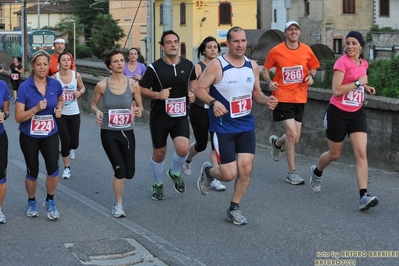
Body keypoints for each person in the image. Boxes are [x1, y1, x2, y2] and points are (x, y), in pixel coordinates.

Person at [194, 26, 278, 225]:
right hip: (223, 127)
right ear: (228, 43)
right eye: (236, 41)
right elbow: (199, 89)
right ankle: (208, 171)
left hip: (245, 125)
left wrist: (266, 100)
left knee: (246, 170)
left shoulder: (252, 65)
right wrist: (214, 103)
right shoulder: (217, 65)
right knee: (228, 174)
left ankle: (234, 208)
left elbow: (255, 92)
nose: (240, 45)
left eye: (243, 41)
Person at [310, 31, 379, 211]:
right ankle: (317, 172)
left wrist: (365, 87)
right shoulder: (341, 63)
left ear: (361, 46)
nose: (349, 46)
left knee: (361, 153)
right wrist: (358, 83)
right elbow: (337, 90)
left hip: (357, 112)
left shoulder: (364, 63)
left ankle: (363, 195)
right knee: (334, 154)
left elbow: (359, 82)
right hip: (338, 113)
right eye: (347, 43)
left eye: (353, 43)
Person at [140, 30, 196, 200]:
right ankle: (157, 184)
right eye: (169, 42)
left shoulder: (188, 65)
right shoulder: (154, 68)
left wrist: (191, 92)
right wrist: (158, 95)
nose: (173, 45)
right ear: (162, 46)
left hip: (180, 115)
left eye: (175, 42)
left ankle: (174, 172)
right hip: (160, 117)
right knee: (159, 153)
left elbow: (192, 80)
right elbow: (141, 89)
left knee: (183, 149)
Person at [263, 21, 320, 185]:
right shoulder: (276, 51)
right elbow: (266, 69)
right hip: (281, 97)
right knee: (292, 134)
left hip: (300, 98)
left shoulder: (306, 50)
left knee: (295, 137)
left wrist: (311, 76)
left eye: (296, 29)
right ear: (285, 32)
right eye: (290, 29)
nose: (293, 32)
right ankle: (291, 172)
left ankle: (277, 142)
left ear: (299, 32)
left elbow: (313, 67)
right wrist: (268, 82)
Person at [91, 48, 143, 218]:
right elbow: (93, 105)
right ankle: (118, 204)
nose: (120, 64)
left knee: (130, 173)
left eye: (122, 60)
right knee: (119, 170)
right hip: (108, 133)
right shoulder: (102, 85)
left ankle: (119, 200)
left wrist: (138, 111)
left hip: (127, 132)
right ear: (110, 65)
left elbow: (140, 106)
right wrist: (97, 112)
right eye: (116, 61)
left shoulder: (133, 85)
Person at [15, 50, 64, 220]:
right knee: (32, 171)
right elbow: (18, 117)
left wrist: (59, 108)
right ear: (33, 66)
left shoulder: (55, 84)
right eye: (38, 64)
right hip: (29, 135)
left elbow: (60, 99)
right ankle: (31, 201)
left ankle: (50, 201)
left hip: (50, 133)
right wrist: (35, 109)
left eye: (45, 64)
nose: (42, 67)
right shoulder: (24, 87)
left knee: (53, 170)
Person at [181, 36, 226, 191]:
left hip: (216, 109)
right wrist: (198, 93)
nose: (213, 50)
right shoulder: (199, 67)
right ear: (203, 50)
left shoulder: (221, 66)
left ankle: (214, 177)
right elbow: (193, 89)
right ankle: (187, 159)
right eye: (209, 47)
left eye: (215, 47)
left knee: (216, 144)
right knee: (201, 143)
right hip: (200, 108)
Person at [53, 52, 85, 179]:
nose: (66, 62)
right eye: (63, 60)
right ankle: (67, 168)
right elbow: (51, 93)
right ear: (59, 63)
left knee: (74, 143)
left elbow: (83, 88)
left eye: (68, 60)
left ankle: (71, 149)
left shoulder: (76, 75)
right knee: (65, 141)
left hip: (74, 112)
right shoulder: (55, 78)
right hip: (61, 113)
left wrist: (79, 93)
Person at [0, 80, 11, 224]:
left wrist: (4, 114)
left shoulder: (2, 85)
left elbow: (7, 111)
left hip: (0, 135)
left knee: (1, 175)